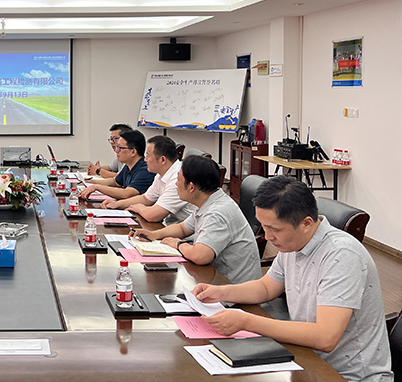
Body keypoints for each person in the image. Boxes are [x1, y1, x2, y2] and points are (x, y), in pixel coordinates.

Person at [193, 176, 392, 382]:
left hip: (346, 375)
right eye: (264, 226)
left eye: (274, 229)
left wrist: (246, 321)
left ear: (306, 223)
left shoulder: (342, 255)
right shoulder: (293, 243)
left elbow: (325, 337)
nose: (267, 236)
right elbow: (266, 288)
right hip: (305, 357)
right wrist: (220, 292)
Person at [130, 155, 260, 284]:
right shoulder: (208, 201)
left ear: (191, 187)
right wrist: (153, 235)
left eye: (178, 180)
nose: (176, 184)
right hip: (214, 279)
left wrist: (178, 244)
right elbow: (182, 228)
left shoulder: (217, 213)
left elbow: (200, 256)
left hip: (231, 287)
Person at [101, 135, 195, 225]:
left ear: (162, 160)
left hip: (184, 233)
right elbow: (146, 198)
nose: (145, 160)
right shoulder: (161, 174)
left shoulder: (178, 179)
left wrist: (139, 208)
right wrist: (117, 204)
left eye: (148, 156)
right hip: (169, 226)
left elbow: (153, 215)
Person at [79, 129, 154, 200]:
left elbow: (126, 194)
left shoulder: (145, 170)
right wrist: (91, 182)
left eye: (120, 148)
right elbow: (115, 182)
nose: (116, 150)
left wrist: (97, 187)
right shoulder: (128, 166)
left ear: (133, 152)